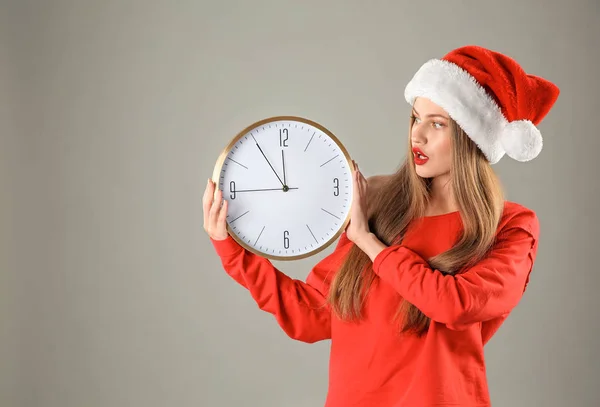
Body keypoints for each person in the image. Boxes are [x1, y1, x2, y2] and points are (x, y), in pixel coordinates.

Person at [203, 45, 560, 406]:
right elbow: (314, 316)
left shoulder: (511, 226)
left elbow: (457, 304)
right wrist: (232, 250)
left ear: (472, 135)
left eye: (437, 124)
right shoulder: (381, 205)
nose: (416, 137)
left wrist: (369, 243)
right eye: (415, 118)